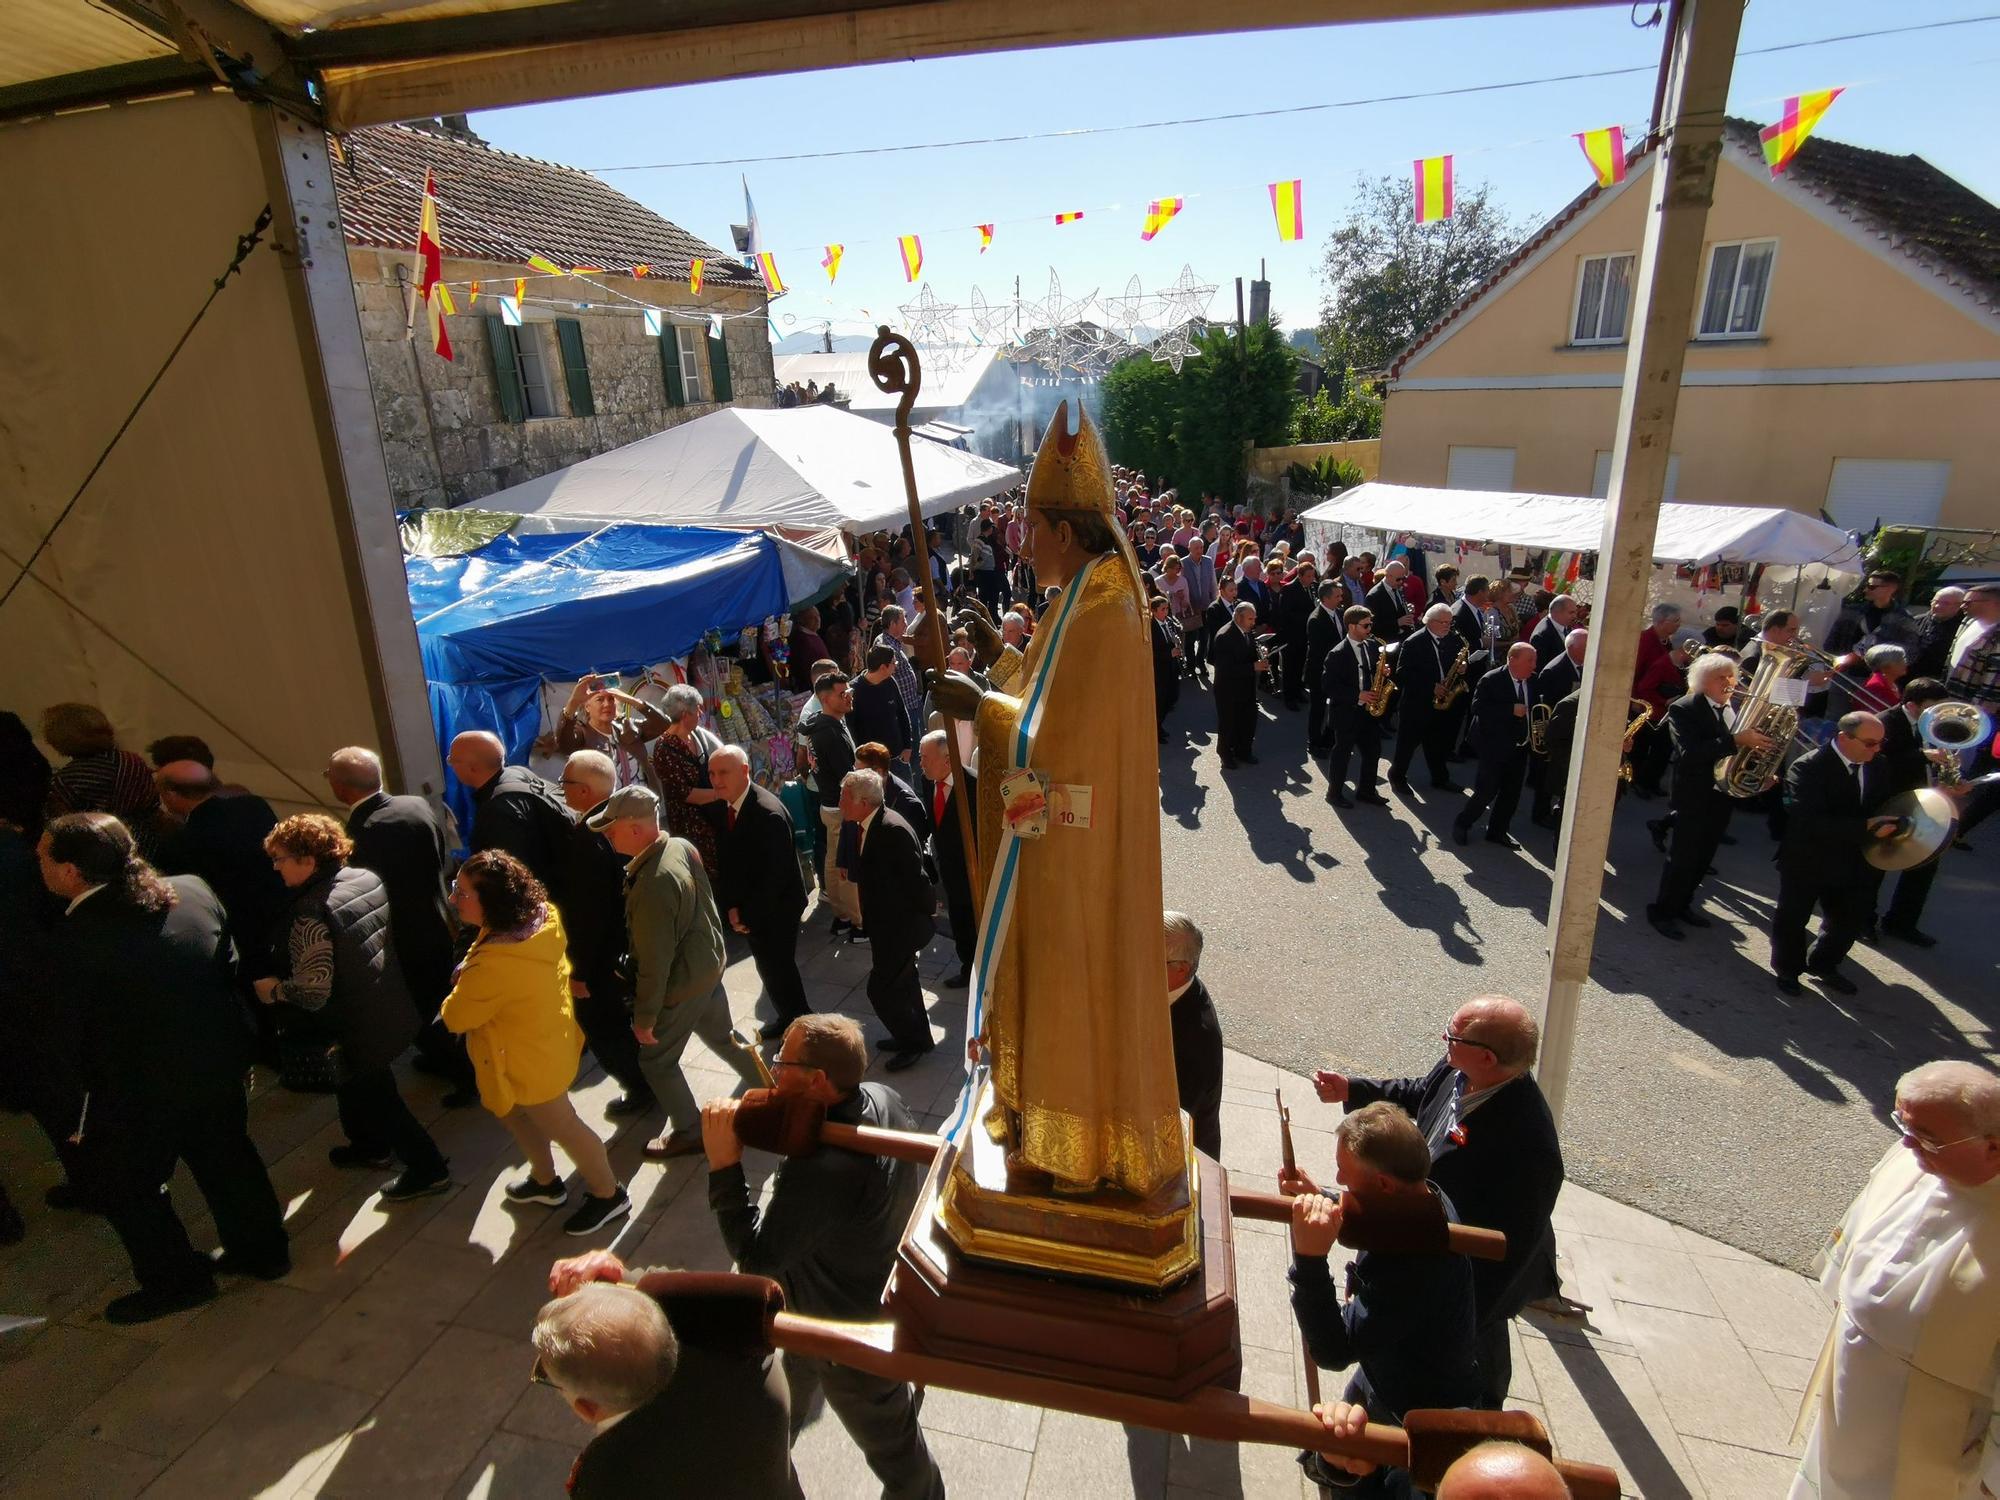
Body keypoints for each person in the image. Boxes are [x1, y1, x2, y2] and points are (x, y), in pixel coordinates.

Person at [37, 813, 288, 1322]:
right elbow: (229, 967)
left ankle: (177, 1281)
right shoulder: (192, 891)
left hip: (140, 1091)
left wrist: (87, 1111)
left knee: (125, 1186)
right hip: (218, 1063)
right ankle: (263, 1253)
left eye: (43, 856)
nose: (36, 863)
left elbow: (75, 1039)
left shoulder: (71, 944)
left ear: (70, 873)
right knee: (228, 1161)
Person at [702, 1013, 944, 1499]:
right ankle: (769, 1473)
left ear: (816, 1081)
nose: (772, 1071)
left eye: (781, 1062)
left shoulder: (824, 1169)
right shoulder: (882, 1097)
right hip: (833, 1293)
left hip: (848, 1334)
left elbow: (756, 1258)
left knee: (897, 1453)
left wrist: (725, 1167)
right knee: (782, 1402)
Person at [1312, 995, 1563, 1410]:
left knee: (1463, 1390)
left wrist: (1456, 1314)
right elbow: (1422, 1092)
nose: (1443, 1037)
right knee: (1381, 1366)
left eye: (1453, 1035)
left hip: (1461, 1287)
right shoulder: (1459, 1067)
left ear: (1486, 1057)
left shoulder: (1529, 1146)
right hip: (1421, 1245)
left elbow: (1510, 1250)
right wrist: (1354, 1089)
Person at [1791, 1060, 2000, 1500]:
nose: (1907, 1142)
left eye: (1928, 1136)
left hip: (1935, 1426)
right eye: (1902, 1123)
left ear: (1993, 1148)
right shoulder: (1910, 1157)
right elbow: (1859, 1230)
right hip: (1855, 1376)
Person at [1285, 1103, 1481, 1496]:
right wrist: (1322, 1198)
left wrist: (1309, 1261)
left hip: (1413, 1417)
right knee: (1335, 1462)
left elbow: (1334, 1348)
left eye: (1345, 1174)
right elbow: (1375, 1214)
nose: (1338, 1179)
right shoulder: (1423, 1197)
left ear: (1386, 1186)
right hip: (1384, 1377)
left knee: (1359, 1482)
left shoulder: (1418, 1263)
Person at [252, 814, 449, 1200]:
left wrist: (273, 991)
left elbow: (313, 990)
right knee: (363, 1088)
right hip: (383, 1004)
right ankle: (369, 1147)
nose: (275, 867)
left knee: (381, 1097)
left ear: (308, 860)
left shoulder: (309, 912)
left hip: (352, 1023)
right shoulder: (364, 878)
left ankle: (428, 1168)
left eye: (280, 858)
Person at [441, 849, 630, 1234]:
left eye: (462, 893)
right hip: (545, 1041)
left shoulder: (495, 964)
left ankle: (610, 1194)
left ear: (492, 903)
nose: (452, 900)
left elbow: (455, 1016)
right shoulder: (540, 918)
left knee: (565, 1126)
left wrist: (459, 984)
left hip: (524, 1060)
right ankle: (545, 1182)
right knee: (518, 1115)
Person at [590, 786, 763, 1157]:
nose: (607, 836)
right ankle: (772, 1093)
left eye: (611, 829)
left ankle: (690, 1130)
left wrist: (645, 1018)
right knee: (725, 1038)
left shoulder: (654, 883)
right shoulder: (679, 846)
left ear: (636, 830)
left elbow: (655, 962)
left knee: (655, 1061)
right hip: (707, 968)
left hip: (683, 982)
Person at [530, 1271, 796, 1500]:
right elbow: (708, 1297)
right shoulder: (744, 1359)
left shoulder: (606, 1475)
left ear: (587, 1408)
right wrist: (623, 1279)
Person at [330, 747, 475, 1104]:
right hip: (437, 918)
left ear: (341, 789)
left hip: (408, 934)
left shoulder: (365, 831)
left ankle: (465, 1078)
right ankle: (449, 1061)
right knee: (440, 999)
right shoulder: (413, 805)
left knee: (430, 1006)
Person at [1771, 711, 1899, 997]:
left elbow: (1883, 804)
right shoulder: (1808, 767)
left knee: (1848, 919)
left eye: (1880, 743)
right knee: (1793, 918)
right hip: (1809, 857)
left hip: (1855, 859)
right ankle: (1788, 969)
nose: (1877, 749)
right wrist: (1864, 827)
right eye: (1870, 743)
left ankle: (1824, 965)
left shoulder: (1878, 765)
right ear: (1844, 738)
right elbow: (1809, 821)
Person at [1646, 653, 1771, 940]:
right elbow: (1689, 754)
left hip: (1721, 794)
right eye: (1721, 677)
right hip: (1694, 793)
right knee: (1682, 857)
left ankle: (1684, 905)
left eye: (1731, 676)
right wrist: (1735, 740)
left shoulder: (1733, 708)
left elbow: (1742, 752)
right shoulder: (1684, 708)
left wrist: (1759, 774)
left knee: (1704, 856)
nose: (1730, 682)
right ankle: (1662, 911)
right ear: (1703, 682)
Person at [556, 751, 652, 1116]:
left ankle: (640, 1086)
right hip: (624, 948)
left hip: (602, 959)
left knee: (603, 1027)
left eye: (565, 783)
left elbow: (588, 915)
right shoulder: (621, 820)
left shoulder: (589, 836)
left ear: (583, 791)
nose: (560, 789)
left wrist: (579, 973)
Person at [709, 745, 811, 1041]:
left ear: (745, 771)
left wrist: (747, 917)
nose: (716, 780)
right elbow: (727, 863)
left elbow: (774, 878)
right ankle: (787, 1018)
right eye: (712, 773)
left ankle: (801, 1026)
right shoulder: (725, 806)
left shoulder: (767, 813)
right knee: (769, 969)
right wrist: (730, 906)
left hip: (776, 910)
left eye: (723, 773)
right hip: (751, 908)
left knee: (780, 969)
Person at [839, 770, 936, 1069]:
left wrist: (921, 921)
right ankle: (920, 1038)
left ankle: (910, 1043)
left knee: (880, 990)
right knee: (904, 984)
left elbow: (917, 880)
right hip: (886, 926)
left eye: (845, 798)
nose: (840, 803)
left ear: (864, 802)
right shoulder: (869, 822)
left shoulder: (890, 829)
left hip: (899, 929)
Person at [152, 759, 286, 974]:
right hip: (280, 916)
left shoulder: (181, 842)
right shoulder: (254, 806)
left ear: (171, 795)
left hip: (236, 933)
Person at [1866, 677, 1960, 949]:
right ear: (1913, 704)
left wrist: (1950, 780)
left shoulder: (1932, 726)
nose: (1940, 712)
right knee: (1877, 864)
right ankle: (1863, 920)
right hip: (1889, 802)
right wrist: (1923, 756)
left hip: (1921, 802)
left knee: (1926, 862)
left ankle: (1901, 922)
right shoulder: (1886, 721)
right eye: (1934, 705)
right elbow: (1881, 761)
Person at [447, 731, 575, 905]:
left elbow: (513, 878)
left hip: (544, 906)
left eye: (452, 761)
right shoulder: (518, 773)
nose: (450, 766)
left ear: (472, 768)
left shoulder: (497, 813)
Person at [41, 703, 162, 855]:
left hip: (100, 852)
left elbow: (63, 826)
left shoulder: (66, 780)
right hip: (149, 845)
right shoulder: (132, 761)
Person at [1453, 643, 1537, 849]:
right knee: (1486, 791)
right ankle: (1463, 823)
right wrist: (1510, 710)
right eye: (1530, 661)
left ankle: (1497, 832)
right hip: (1494, 745)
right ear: (1512, 660)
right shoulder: (1492, 679)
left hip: (1520, 746)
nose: (1534, 665)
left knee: (1511, 794)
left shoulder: (1534, 681)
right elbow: (1478, 707)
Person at [801, 672, 862, 932]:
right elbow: (846, 776)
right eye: (842, 693)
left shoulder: (823, 724)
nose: (848, 696)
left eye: (849, 691)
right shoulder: (829, 732)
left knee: (834, 861)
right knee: (846, 868)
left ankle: (842, 916)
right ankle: (854, 920)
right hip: (841, 808)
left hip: (831, 805)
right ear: (825, 699)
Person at [647, 684, 727, 878]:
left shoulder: (697, 735)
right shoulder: (665, 748)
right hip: (691, 826)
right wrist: (722, 793)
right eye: (697, 709)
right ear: (685, 715)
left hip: (713, 817)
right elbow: (687, 794)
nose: (700, 713)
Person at [918, 731, 976, 990]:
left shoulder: (972, 786)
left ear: (947, 760)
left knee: (973, 922)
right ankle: (967, 968)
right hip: (948, 872)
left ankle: (978, 970)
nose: (921, 763)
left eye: (925, 758)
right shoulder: (927, 780)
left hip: (971, 872)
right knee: (960, 922)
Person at [1388, 605, 1465, 795]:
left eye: (1450, 622)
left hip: (1441, 701)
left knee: (1437, 743)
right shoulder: (1414, 642)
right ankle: (1397, 776)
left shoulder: (1453, 639)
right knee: (1408, 744)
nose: (1448, 626)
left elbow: (1457, 661)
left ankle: (1440, 778)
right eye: (1443, 622)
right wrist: (1432, 686)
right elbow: (1403, 674)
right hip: (1417, 703)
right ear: (1430, 622)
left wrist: (1463, 666)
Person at [1164, 911, 1222, 1160]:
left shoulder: (1198, 1037)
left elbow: (1173, 1120)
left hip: (1185, 1160)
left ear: (1181, 969)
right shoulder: (1171, 989)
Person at [1321, 606, 1390, 810]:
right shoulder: (1337, 653)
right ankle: (1334, 793)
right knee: (1342, 753)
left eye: (1370, 624)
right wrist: (1357, 695)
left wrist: (1383, 671)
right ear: (1352, 626)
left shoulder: (1370, 646)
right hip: (1347, 711)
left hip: (1367, 711)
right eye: (1366, 625)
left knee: (1373, 751)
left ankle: (1366, 791)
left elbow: (1369, 671)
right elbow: (1328, 686)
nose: (1370, 629)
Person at [556, 675, 669, 791]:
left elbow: (663, 723)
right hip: (607, 807)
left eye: (611, 699)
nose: (607, 704)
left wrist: (631, 700)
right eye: (600, 699)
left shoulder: (629, 727)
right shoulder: (582, 733)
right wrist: (573, 702)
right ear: (587, 707)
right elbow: (564, 744)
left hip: (644, 804)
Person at [1210, 599, 1268, 769]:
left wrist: (1260, 657)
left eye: (1254, 618)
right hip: (1228, 689)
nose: (1254, 622)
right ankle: (1225, 754)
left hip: (1246, 685)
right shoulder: (1224, 636)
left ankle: (1244, 750)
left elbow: (1248, 653)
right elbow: (1226, 669)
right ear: (1238, 618)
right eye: (1250, 619)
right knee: (1229, 723)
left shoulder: (1247, 631)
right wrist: (1253, 666)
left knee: (1248, 720)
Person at [850, 644, 915, 767]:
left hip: (897, 757)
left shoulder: (890, 682)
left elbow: (902, 713)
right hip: (871, 763)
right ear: (883, 667)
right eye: (893, 662)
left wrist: (907, 746)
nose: (896, 665)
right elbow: (851, 728)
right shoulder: (855, 691)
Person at [1945, 582, 2000, 718]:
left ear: (1994, 603)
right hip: (1950, 701)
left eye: (1968, 602)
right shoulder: (1967, 622)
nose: (1962, 606)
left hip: (1973, 714)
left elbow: (1993, 686)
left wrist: (1972, 716)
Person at [1305, 580, 1347, 755]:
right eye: (1337, 596)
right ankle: (1314, 743)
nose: (1341, 598)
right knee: (1318, 709)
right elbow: (1321, 650)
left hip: (1336, 670)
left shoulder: (1339, 613)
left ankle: (1329, 739)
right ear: (1326, 598)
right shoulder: (1316, 620)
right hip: (1320, 672)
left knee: (1336, 706)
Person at [1275, 557, 1318, 709]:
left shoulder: (1313, 588)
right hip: (1292, 636)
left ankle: (1298, 690)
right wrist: (1309, 618)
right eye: (1308, 576)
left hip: (1305, 636)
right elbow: (1286, 614)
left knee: (1300, 665)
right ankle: (1289, 697)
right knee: (1290, 667)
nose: (1311, 579)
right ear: (1300, 576)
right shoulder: (1289, 590)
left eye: (1313, 576)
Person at [1910, 586, 1965, 681]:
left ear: (1959, 606)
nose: (1937, 606)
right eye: (1935, 601)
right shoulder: (1916, 621)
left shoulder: (1963, 628)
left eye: (1945, 603)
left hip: (1940, 681)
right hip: (1910, 678)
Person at [1182, 536, 1217, 681]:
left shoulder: (1208, 561)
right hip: (1191, 609)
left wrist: (1215, 602)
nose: (1199, 550)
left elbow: (1213, 582)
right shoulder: (1183, 563)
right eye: (1196, 548)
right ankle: (1190, 667)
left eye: (1201, 547)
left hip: (1205, 606)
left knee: (1204, 637)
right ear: (1189, 548)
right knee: (1190, 639)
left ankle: (1200, 661)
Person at [1150, 595, 1182, 740]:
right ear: (1154, 611)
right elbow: (1151, 652)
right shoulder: (1151, 627)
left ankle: (1159, 724)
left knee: (1172, 696)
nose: (1166, 612)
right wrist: (1169, 653)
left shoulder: (1168, 622)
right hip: (1160, 670)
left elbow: (1174, 634)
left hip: (1172, 666)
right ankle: (1156, 729)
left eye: (1167, 608)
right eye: (1163, 609)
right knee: (1160, 701)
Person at [1365, 559, 1418, 647]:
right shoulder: (1374, 596)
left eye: (1403, 578)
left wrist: (1407, 608)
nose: (1401, 582)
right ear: (1388, 576)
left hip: (1402, 640)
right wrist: (1397, 623)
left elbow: (1396, 609)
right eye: (1398, 579)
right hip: (1387, 644)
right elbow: (1373, 626)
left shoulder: (1397, 588)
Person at [1529, 595, 1579, 668]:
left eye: (1575, 612)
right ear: (1557, 612)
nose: (1575, 616)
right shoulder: (1542, 636)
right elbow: (1540, 668)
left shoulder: (1566, 627)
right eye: (1571, 613)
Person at [1858, 643, 1909, 713]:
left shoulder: (1889, 681)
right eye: (1899, 661)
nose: (1905, 663)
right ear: (1884, 666)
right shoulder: (1875, 687)